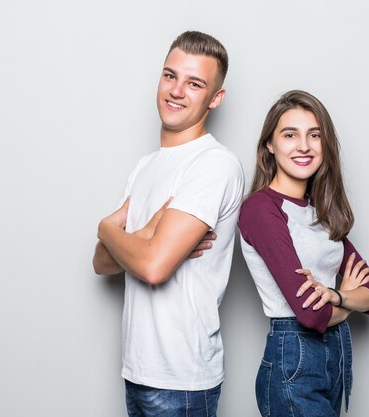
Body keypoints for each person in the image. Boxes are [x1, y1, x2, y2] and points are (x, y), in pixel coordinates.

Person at [92, 31, 244, 417]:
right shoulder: (146, 167)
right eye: (170, 76)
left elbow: (153, 267)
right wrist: (144, 238)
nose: (177, 91)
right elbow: (100, 263)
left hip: (182, 381)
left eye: (195, 83)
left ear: (215, 98)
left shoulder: (214, 164)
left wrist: (108, 230)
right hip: (137, 369)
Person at [238, 90, 369, 417]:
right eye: (290, 135)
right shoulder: (261, 209)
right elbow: (310, 315)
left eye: (314, 135)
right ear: (270, 146)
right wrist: (346, 300)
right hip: (295, 358)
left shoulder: (321, 213)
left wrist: (335, 296)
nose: (303, 145)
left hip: (335, 356)